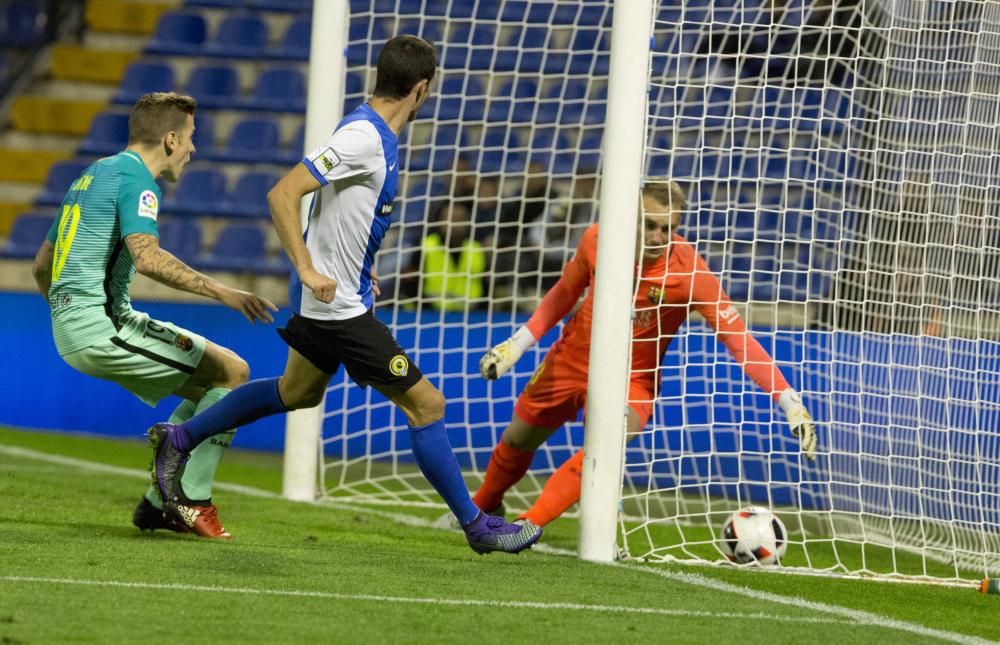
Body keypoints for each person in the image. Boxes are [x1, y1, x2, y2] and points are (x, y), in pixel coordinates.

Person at [147, 36, 542, 554]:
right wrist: (309, 269)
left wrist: (357, 268)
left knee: (297, 391)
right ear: (422, 89)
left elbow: (340, 213)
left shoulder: (366, 130)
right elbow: (283, 194)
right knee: (427, 404)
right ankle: (478, 526)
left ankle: (179, 440)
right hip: (337, 309)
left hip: (339, 296)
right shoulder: (364, 136)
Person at [471, 178, 818, 527]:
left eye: (668, 228)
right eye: (649, 225)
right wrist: (517, 344)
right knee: (519, 438)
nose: (657, 237)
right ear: (632, 217)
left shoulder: (690, 273)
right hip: (571, 361)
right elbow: (563, 293)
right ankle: (481, 507)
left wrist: (788, 399)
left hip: (632, 379)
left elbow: (738, 338)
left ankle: (527, 525)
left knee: (606, 446)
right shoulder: (598, 240)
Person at [30, 92, 278, 539]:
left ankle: (157, 502)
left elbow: (41, 264)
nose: (192, 148)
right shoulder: (139, 182)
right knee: (233, 376)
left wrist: (65, 314)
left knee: (218, 379)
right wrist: (221, 290)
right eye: (189, 138)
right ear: (169, 139)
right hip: (103, 327)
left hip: (88, 323)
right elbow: (146, 258)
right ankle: (190, 500)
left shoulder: (91, 174)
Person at [419, 200, 488, 311]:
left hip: (472, 316)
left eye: (459, 220)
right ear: (439, 221)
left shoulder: (476, 249)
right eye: (449, 219)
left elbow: (486, 286)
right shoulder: (425, 247)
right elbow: (412, 285)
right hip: (430, 314)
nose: (454, 225)